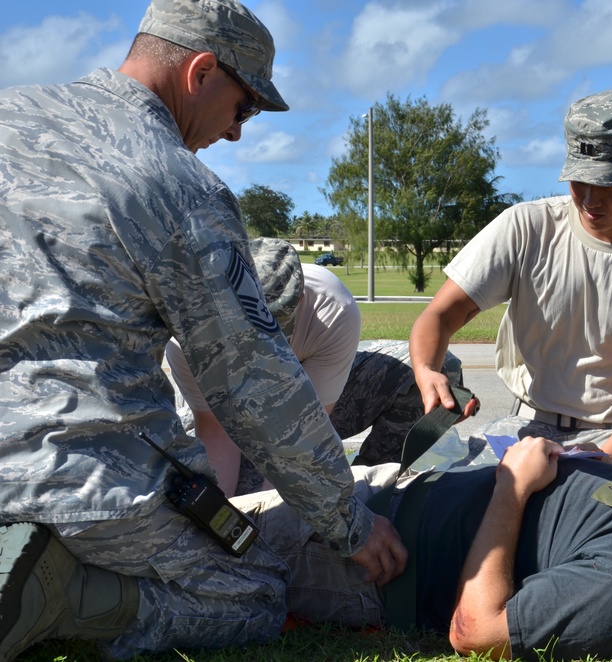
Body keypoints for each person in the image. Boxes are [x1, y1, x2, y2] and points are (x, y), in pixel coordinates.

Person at [0, 1, 403, 659]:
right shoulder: (178, 186)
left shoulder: (8, 117)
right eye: (243, 109)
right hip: (90, 483)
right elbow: (255, 384)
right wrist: (350, 522)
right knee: (254, 595)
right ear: (202, 71)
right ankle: (67, 594)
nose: (237, 134)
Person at [260, 437, 612, 660]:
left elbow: (477, 633)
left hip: (362, 550)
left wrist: (513, 489)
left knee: (184, 523)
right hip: (395, 484)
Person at [409, 89, 612, 475]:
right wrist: (426, 369)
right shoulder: (525, 227)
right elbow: (440, 315)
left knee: (583, 527)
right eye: (578, 181)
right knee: (446, 506)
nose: (589, 200)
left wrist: (580, 471)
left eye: (607, 183)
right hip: (524, 425)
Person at [165, 237, 466, 496]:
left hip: (303, 400)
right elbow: (216, 431)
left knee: (439, 370)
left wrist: (278, 511)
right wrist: (228, 516)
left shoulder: (332, 308)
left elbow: (305, 432)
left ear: (300, 300)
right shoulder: (190, 339)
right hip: (236, 415)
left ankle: (366, 490)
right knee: (221, 497)